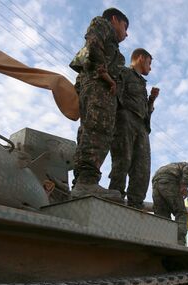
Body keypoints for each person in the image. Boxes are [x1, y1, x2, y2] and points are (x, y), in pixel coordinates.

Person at [71, 8, 129, 200]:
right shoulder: (102, 24)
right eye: (125, 27)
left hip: (98, 86)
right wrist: (106, 77)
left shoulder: (113, 45)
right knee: (98, 131)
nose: (126, 33)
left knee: (90, 132)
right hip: (98, 85)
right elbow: (93, 45)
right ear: (114, 20)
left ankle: (81, 183)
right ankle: (87, 183)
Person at [109, 48, 160, 209]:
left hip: (142, 126)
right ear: (140, 58)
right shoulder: (123, 72)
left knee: (142, 169)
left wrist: (151, 100)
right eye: (149, 62)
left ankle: (135, 205)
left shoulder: (142, 84)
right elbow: (114, 95)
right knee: (123, 160)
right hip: (125, 119)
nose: (150, 68)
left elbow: (145, 109)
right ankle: (115, 198)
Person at [151, 162, 188, 245]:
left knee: (162, 215)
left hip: (156, 182)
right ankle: (179, 241)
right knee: (181, 212)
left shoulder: (173, 166)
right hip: (169, 180)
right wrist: (184, 186)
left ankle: (164, 240)